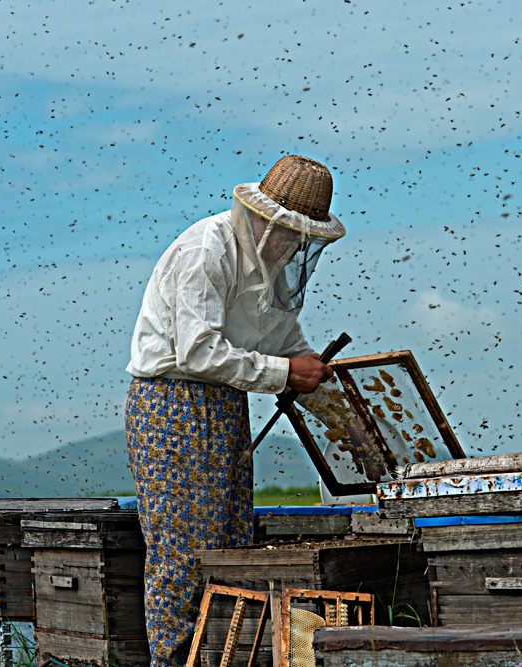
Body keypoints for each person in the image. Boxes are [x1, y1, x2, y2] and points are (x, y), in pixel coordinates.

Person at [124, 155, 346, 666]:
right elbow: (196, 351)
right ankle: (175, 660)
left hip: (226, 404)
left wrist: (316, 375)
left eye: (303, 235)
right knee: (184, 548)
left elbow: (284, 340)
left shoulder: (270, 271)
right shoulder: (207, 250)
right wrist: (287, 374)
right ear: (264, 218)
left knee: (230, 543)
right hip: (171, 406)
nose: (294, 243)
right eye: (290, 231)